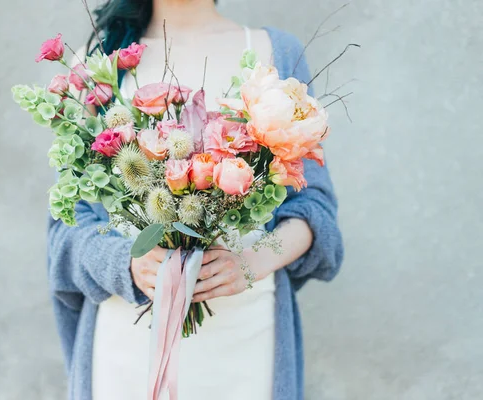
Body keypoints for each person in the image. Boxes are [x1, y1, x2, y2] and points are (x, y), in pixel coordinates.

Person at [47, 0, 344, 399]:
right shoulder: (100, 61)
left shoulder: (275, 53)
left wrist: (252, 262)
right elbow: (66, 230)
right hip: (127, 351)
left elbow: (315, 212)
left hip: (246, 343)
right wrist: (127, 265)